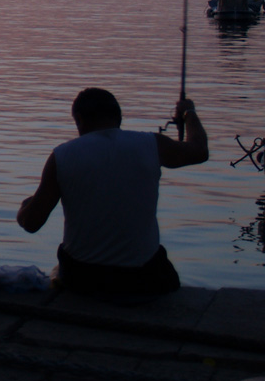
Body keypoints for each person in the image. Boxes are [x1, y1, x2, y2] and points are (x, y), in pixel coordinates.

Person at [16, 88, 208, 297]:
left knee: (58, 268)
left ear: (79, 119)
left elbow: (31, 223)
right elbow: (199, 150)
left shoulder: (62, 155)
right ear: (119, 117)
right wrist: (189, 112)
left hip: (83, 279)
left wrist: (26, 206)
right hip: (144, 280)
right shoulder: (152, 144)